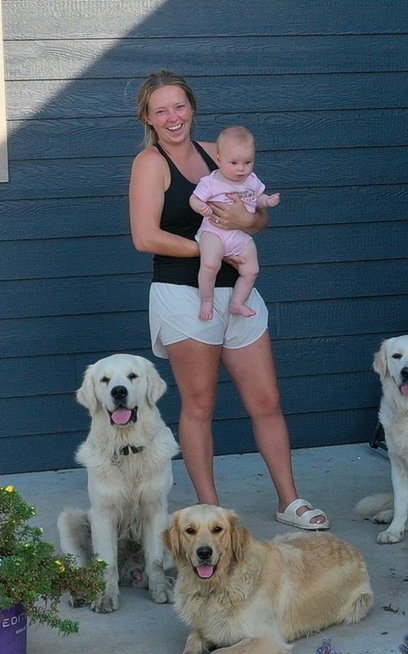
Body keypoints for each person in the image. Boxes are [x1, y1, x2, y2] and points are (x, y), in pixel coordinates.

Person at [125, 71, 327, 529]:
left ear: (192, 108)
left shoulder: (220, 152)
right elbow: (144, 237)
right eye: (161, 110)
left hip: (237, 291)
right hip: (183, 295)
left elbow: (258, 220)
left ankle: (289, 501)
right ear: (148, 118)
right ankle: (210, 512)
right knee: (200, 405)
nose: (172, 117)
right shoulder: (150, 164)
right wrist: (210, 247)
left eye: (179, 107)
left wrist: (243, 223)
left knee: (267, 399)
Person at [190, 125, 281, 322]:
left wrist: (268, 201)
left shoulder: (251, 180)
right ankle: (207, 300)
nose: (241, 168)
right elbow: (194, 199)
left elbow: (258, 200)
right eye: (234, 163)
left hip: (240, 235)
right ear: (219, 159)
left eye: (248, 162)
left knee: (252, 270)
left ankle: (237, 302)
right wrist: (201, 207)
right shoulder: (211, 181)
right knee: (210, 263)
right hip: (214, 231)